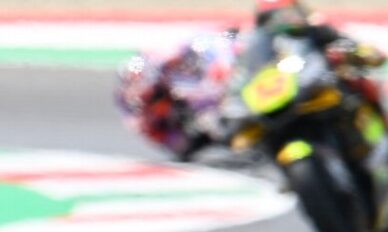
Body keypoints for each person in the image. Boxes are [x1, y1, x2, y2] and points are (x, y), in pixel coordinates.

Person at [115, 31, 238, 160]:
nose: (136, 89)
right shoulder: (128, 103)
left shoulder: (172, 59)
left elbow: (219, 57)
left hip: (211, 87)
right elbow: (139, 126)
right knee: (180, 144)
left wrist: (220, 70)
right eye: (132, 83)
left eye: (138, 82)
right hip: (185, 125)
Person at [248, 0, 385, 111]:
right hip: (289, 101)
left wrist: (352, 55)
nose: (295, 17)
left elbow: (351, 45)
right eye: (288, 14)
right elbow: (251, 75)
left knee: (364, 89)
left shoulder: (317, 31)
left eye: (295, 12)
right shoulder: (262, 45)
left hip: (328, 91)